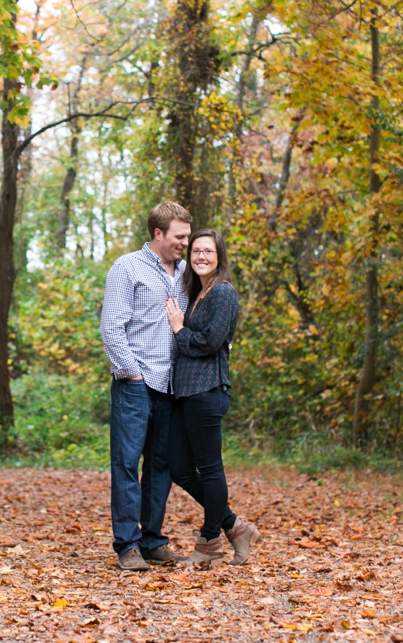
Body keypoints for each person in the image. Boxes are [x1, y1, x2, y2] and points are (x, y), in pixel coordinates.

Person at [100, 201, 193, 571]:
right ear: (158, 234)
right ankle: (128, 546)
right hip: (135, 384)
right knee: (126, 464)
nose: (185, 243)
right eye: (179, 236)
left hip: (172, 385)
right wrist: (133, 374)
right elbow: (112, 328)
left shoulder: (187, 272)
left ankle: (153, 541)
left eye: (187, 236)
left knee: (161, 465)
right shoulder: (127, 268)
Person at [164, 229, 260, 568]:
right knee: (180, 468)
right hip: (186, 393)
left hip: (208, 391)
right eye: (195, 252)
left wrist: (178, 329)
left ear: (219, 256)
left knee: (210, 468)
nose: (200, 256)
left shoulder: (223, 294)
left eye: (207, 251)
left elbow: (209, 343)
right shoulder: (197, 292)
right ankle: (234, 525)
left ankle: (209, 542)